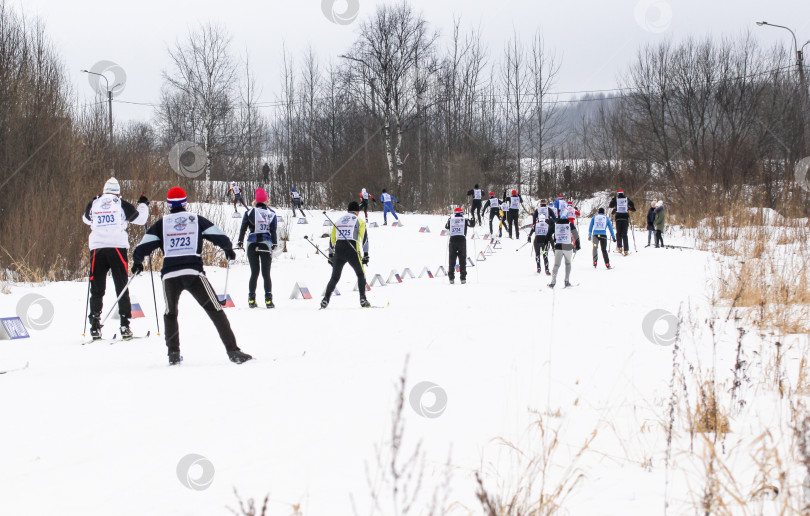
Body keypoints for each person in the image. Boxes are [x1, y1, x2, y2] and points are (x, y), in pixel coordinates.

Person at [132, 187, 252, 365]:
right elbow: (218, 235)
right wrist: (227, 249)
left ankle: (173, 353)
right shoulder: (195, 220)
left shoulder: (162, 223)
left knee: (170, 313)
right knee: (215, 310)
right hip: (193, 273)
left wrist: (137, 261)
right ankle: (233, 351)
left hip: (170, 275)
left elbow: (143, 246)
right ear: (185, 203)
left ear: (169, 205)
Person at [82, 177, 149, 340]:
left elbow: (85, 219)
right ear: (118, 192)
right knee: (121, 286)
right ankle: (125, 325)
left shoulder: (95, 203)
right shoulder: (120, 203)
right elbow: (141, 220)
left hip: (97, 248)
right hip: (116, 248)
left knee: (97, 288)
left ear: (104, 190)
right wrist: (143, 205)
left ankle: (94, 325)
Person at [321, 202, 371, 308]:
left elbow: (332, 240)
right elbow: (365, 239)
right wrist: (366, 254)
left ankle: (325, 299)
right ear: (357, 211)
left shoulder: (339, 220)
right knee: (360, 274)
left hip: (339, 249)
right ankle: (363, 299)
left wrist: (330, 255)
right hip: (352, 249)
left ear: (347, 210)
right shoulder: (359, 221)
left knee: (334, 277)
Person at [237, 188, 278, 309]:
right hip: (265, 243)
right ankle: (269, 301)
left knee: (254, 272)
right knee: (266, 273)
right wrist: (274, 243)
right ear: (266, 200)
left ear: (255, 200)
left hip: (252, 243)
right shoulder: (271, 213)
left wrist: (240, 241)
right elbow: (273, 230)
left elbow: (243, 227)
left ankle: (251, 300)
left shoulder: (249, 212)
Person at [445, 207, 475, 284]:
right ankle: (463, 278)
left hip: (452, 240)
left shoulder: (451, 220)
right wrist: (473, 219)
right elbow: (472, 225)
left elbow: (446, 226)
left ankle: (451, 278)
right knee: (462, 259)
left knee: (452, 259)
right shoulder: (464, 220)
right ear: (461, 214)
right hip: (461, 240)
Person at [548, 208, 575, 288]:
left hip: (558, 246)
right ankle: (567, 281)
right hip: (567, 246)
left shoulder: (555, 224)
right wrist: (577, 246)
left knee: (556, 265)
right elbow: (576, 235)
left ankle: (553, 282)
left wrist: (546, 242)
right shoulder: (570, 224)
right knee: (568, 263)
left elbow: (549, 234)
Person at [609, 189, 636, 256]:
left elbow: (610, 206)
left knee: (618, 233)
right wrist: (628, 208)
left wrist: (613, 199)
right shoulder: (626, 199)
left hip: (618, 218)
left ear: (618, 194)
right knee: (624, 234)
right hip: (625, 219)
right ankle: (626, 250)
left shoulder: (616, 200)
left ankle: (620, 247)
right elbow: (632, 205)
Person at [527, 207, 554, 275]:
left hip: (537, 242)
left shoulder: (536, 225)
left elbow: (531, 232)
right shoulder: (547, 225)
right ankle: (547, 269)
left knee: (537, 255)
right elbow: (550, 235)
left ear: (538, 219)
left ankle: (538, 268)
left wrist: (529, 237)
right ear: (544, 219)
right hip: (544, 243)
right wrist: (552, 243)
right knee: (545, 255)